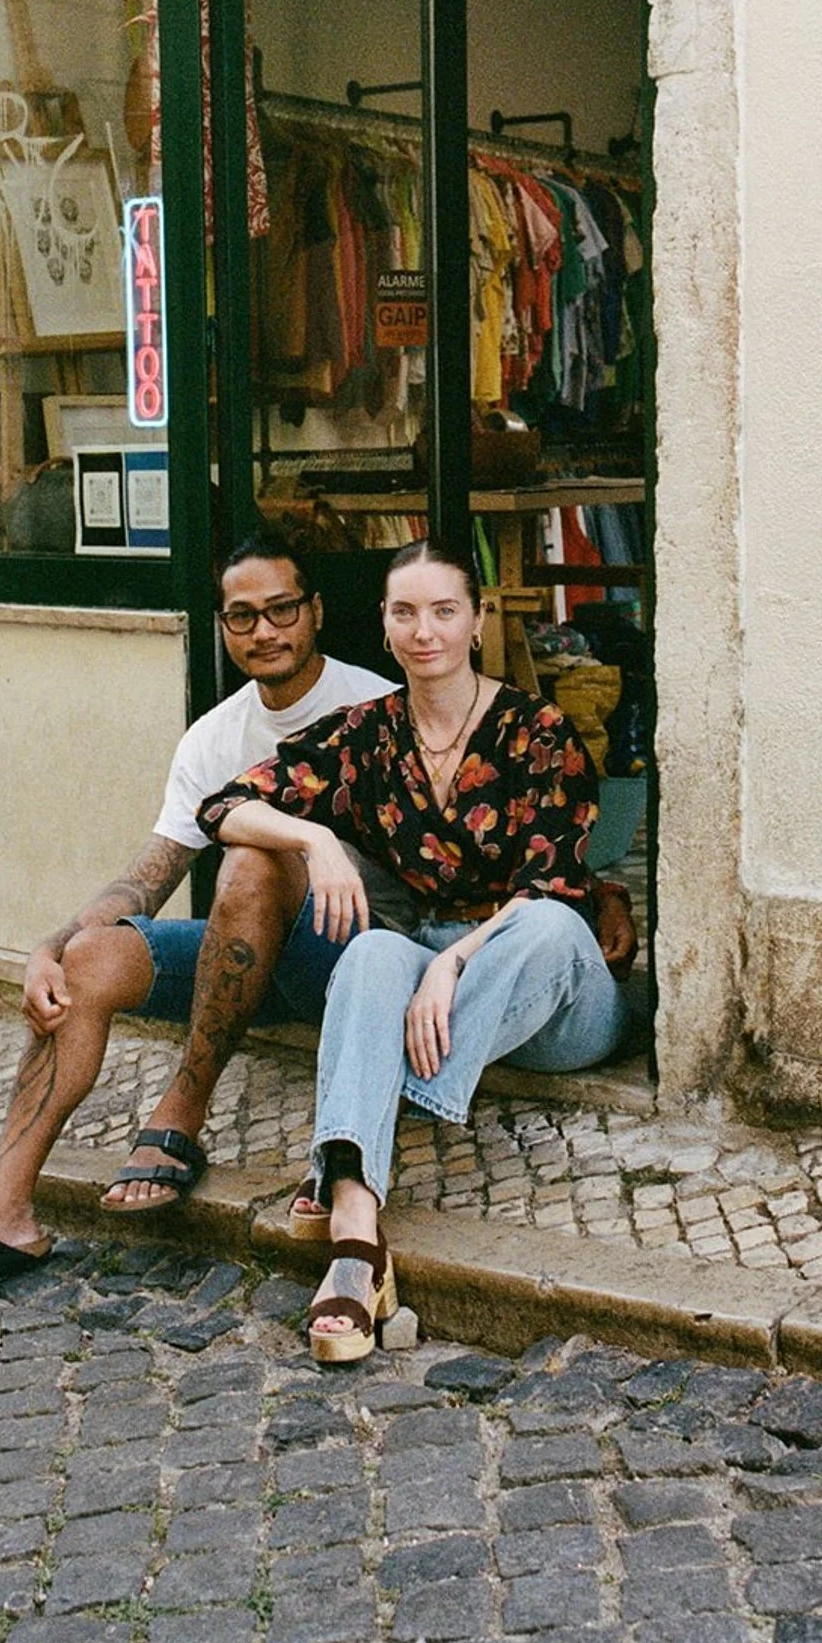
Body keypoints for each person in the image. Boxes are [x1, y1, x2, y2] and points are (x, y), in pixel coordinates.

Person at [0, 531, 394, 1308]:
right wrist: (53, 946)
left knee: (255, 858)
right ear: (224, 627)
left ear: (316, 611)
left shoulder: (374, 707)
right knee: (90, 959)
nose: (264, 632)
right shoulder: (213, 737)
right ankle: (4, 1212)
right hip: (249, 957)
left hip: (350, 962)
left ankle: (180, 1111)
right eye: (242, 616)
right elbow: (149, 876)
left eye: (282, 609)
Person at [196, 538, 634, 1364]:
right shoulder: (366, 737)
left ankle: (357, 1120)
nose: (424, 630)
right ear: (385, 626)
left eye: (443, 610)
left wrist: (453, 961)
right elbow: (225, 805)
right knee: (369, 959)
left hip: (549, 988)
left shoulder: (539, 731)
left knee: (539, 928)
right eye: (405, 612)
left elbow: (556, 887)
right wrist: (313, 839)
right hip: (429, 970)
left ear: (476, 621)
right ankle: (356, 1241)